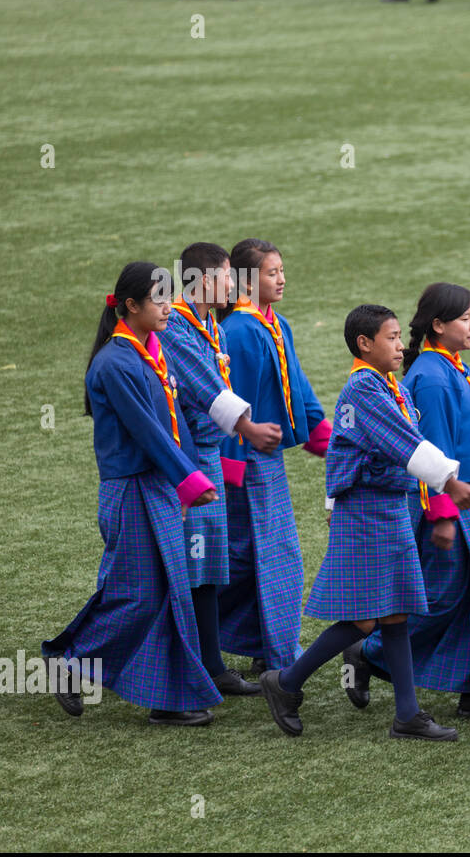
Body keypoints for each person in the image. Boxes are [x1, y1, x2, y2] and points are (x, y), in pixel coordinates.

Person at [260, 305, 470, 741]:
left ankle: (407, 714)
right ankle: (284, 683)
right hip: (367, 512)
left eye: (399, 337)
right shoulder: (365, 390)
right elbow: (406, 444)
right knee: (363, 620)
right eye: (392, 338)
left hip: (388, 508)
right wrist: (450, 483)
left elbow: (374, 447)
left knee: (394, 613)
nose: (401, 345)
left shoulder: (386, 386)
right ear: (365, 344)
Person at [44, 262, 221, 726]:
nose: (168, 307)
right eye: (158, 300)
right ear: (130, 306)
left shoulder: (150, 351)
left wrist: (190, 476)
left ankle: (169, 700)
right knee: (140, 594)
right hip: (132, 490)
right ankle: (69, 662)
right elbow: (148, 432)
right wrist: (191, 480)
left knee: (168, 593)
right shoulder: (115, 363)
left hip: (158, 486)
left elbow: (175, 423)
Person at [352, 284, 470, 718]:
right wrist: (444, 518)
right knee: (441, 600)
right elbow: (433, 455)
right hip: (444, 508)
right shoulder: (432, 378)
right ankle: (369, 652)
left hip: (464, 505)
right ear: (438, 325)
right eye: (466, 318)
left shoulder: (453, 369)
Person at [164, 242, 281, 698]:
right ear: (199, 281)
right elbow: (208, 388)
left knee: (209, 563)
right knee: (183, 566)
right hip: (186, 460)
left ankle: (211, 665)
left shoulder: (210, 322)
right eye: (227, 276)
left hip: (208, 457)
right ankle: (189, 664)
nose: (234, 285)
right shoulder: (176, 324)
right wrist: (249, 429)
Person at [218, 239, 331, 677]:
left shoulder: (276, 323)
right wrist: (229, 471)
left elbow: (299, 395)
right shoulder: (242, 332)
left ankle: (269, 646)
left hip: (266, 464)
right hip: (242, 466)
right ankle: (277, 655)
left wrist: (330, 444)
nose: (281, 279)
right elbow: (228, 407)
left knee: (261, 559)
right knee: (262, 559)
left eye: (282, 270)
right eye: (271, 272)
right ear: (248, 280)